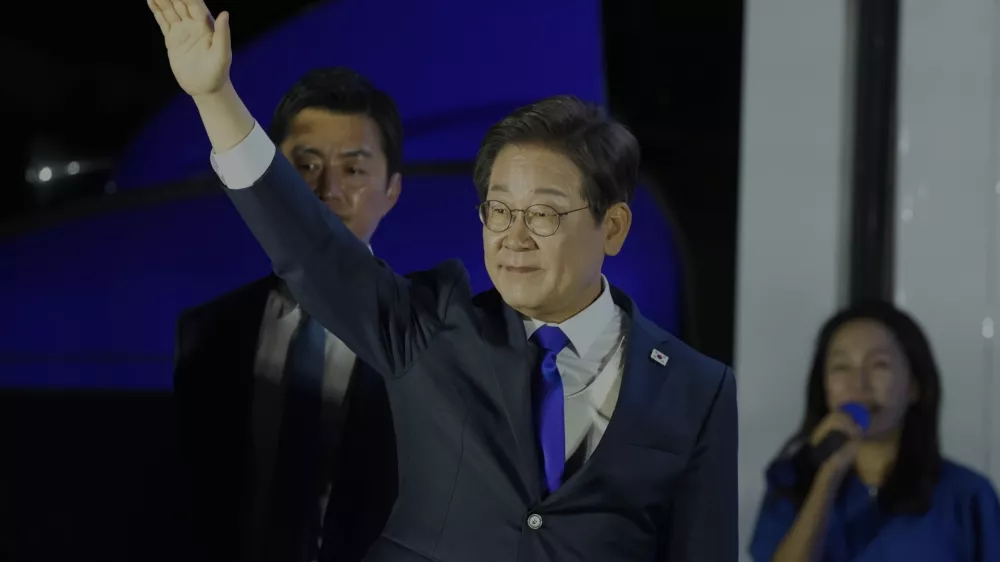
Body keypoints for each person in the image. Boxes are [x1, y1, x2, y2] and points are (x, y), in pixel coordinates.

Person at [148, 1, 738, 560]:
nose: (513, 236)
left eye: (544, 213)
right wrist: (215, 98)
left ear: (612, 227)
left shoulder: (696, 389)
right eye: (499, 210)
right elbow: (310, 246)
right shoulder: (433, 325)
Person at [172, 66, 402, 562]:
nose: (328, 190)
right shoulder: (209, 331)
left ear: (392, 190)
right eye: (306, 165)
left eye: (355, 169)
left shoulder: (429, 331)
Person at [749, 302, 1000, 562]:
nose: (859, 384)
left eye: (879, 365)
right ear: (824, 388)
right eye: (841, 367)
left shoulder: (967, 495)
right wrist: (826, 480)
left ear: (915, 386)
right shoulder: (790, 482)